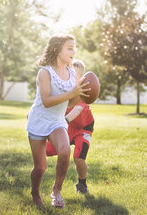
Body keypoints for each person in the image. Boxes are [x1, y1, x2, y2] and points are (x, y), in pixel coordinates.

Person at [26, 34, 90, 209]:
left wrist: (83, 94)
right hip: (39, 120)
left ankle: (56, 191)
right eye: (69, 48)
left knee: (64, 151)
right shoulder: (44, 72)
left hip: (57, 121)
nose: (74, 51)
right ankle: (35, 192)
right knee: (40, 168)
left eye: (74, 47)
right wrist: (72, 93)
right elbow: (46, 101)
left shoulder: (72, 73)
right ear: (57, 50)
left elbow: (70, 102)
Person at [46, 59, 94, 194]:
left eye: (75, 75)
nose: (72, 78)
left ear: (82, 78)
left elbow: (77, 110)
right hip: (68, 126)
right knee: (47, 150)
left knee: (79, 158)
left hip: (83, 127)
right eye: (70, 74)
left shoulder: (84, 90)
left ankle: (82, 183)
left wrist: (64, 120)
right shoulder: (63, 88)